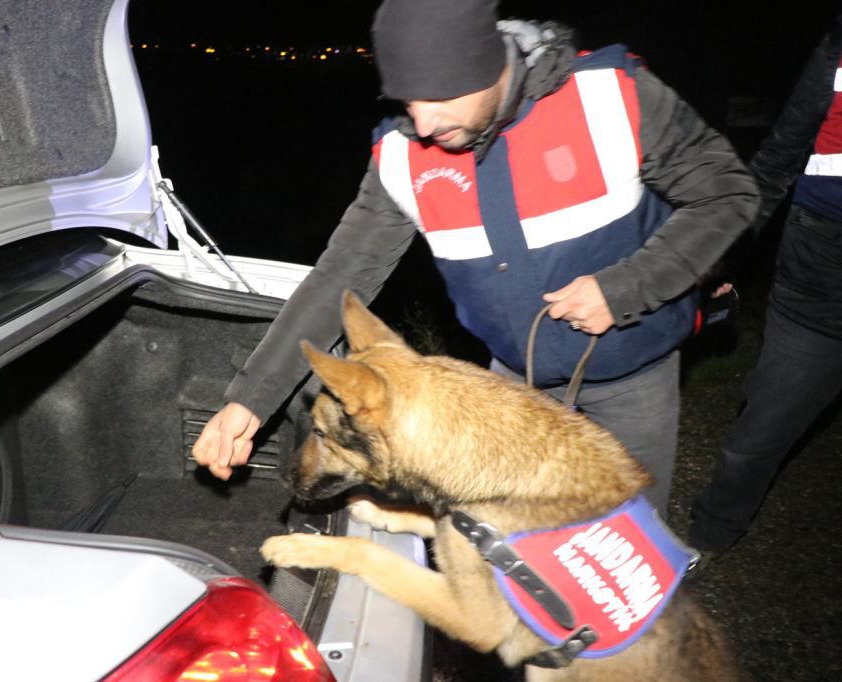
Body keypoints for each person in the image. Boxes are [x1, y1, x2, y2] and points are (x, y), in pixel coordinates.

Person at [192, 0, 757, 514]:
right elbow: (340, 276)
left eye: (438, 97)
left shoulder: (611, 95)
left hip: (633, 382)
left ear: (490, 64)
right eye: (408, 101)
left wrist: (627, 288)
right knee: (510, 553)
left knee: (624, 553)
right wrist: (249, 400)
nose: (423, 124)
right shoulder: (401, 156)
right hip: (505, 393)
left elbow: (729, 194)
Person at [689, 14, 842, 557]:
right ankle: (709, 537)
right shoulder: (836, 51)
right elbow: (778, 160)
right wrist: (721, 257)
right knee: (758, 434)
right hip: (820, 285)